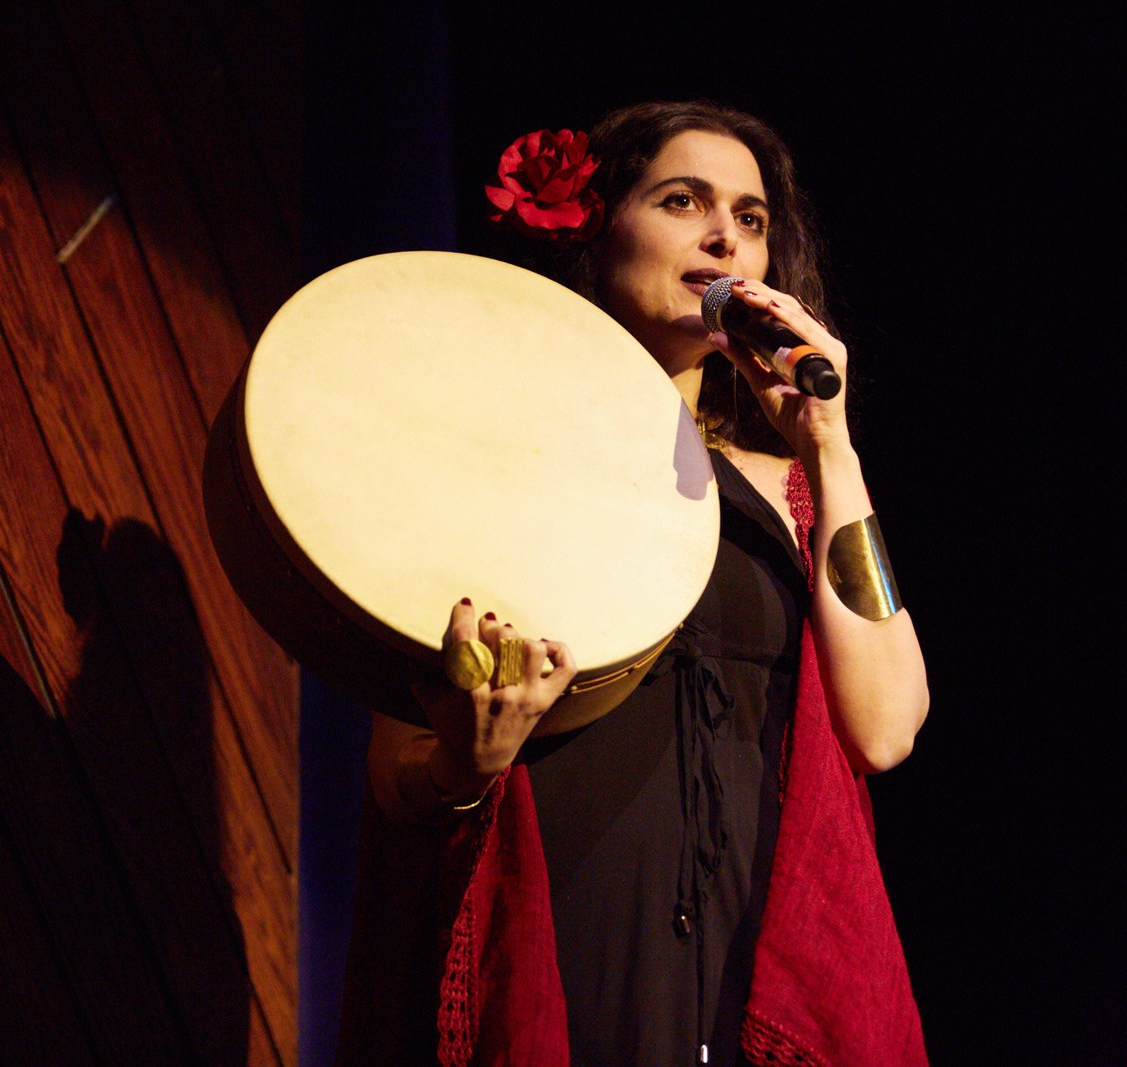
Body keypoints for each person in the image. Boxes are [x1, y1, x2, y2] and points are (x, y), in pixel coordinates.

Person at [339, 101, 930, 1066]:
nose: (723, 236)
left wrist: (830, 445)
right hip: (571, 950)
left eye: (750, 218)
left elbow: (886, 725)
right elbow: (395, 766)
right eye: (682, 201)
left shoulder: (792, 492)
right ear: (598, 229)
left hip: (747, 973)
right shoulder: (499, 461)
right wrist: (461, 767)